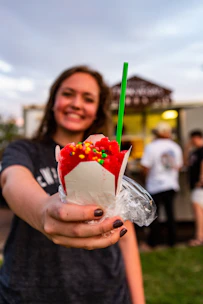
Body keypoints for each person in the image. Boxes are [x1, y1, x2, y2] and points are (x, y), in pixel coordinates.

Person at [0, 66, 145, 304]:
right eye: (68, 94)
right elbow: (11, 181)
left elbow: (126, 236)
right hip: (29, 292)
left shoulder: (111, 161)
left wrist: (138, 301)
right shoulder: (25, 150)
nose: (77, 104)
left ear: (97, 109)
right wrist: (43, 210)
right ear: (53, 100)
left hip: (105, 293)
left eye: (88, 99)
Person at [141, 122, 183, 248]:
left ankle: (153, 242)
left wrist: (145, 180)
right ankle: (172, 241)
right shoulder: (175, 147)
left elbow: (145, 167)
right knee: (170, 214)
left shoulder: (151, 147)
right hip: (171, 184)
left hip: (155, 185)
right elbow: (179, 166)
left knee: (154, 215)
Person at [185, 130, 203, 246]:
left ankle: (199, 237)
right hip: (196, 185)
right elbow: (185, 163)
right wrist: (187, 148)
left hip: (199, 186)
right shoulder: (194, 152)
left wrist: (201, 178)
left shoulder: (201, 151)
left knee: (198, 210)